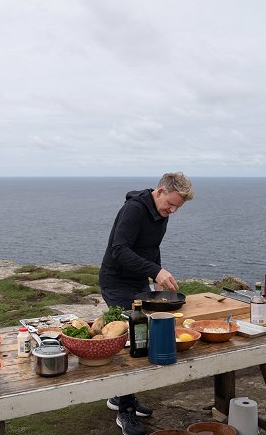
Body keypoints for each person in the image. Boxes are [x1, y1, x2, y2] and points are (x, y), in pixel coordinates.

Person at [99, 172, 194, 435]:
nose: (172, 211)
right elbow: (119, 249)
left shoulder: (161, 213)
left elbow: (151, 248)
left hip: (139, 281)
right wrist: (155, 270)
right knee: (133, 336)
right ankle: (125, 412)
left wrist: (157, 276)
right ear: (161, 191)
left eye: (177, 207)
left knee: (144, 335)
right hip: (116, 282)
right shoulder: (134, 210)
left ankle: (121, 396)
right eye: (171, 204)